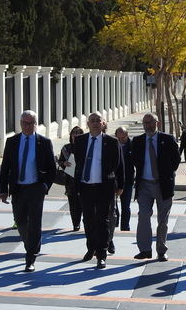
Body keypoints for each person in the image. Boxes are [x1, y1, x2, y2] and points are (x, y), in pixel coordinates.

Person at [0, 111, 56, 272]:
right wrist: (3, 190)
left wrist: (45, 187)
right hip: (18, 188)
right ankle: (32, 243)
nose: (27, 126)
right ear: (20, 123)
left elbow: (52, 168)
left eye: (30, 123)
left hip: (36, 188)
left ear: (35, 124)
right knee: (20, 220)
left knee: (34, 222)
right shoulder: (12, 141)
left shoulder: (44, 142)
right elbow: (5, 168)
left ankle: (30, 257)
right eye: (24, 123)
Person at [74, 112, 124, 269]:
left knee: (102, 221)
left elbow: (119, 165)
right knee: (88, 220)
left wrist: (121, 185)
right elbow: (77, 163)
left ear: (103, 123)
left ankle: (101, 255)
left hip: (104, 187)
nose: (95, 123)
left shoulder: (111, 141)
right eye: (92, 121)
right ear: (88, 124)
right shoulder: (80, 141)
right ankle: (91, 248)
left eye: (98, 121)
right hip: (85, 186)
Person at [131, 113, 181, 261]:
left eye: (151, 122)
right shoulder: (138, 141)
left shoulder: (167, 139)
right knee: (144, 216)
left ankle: (161, 249)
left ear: (157, 123)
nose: (148, 126)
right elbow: (134, 160)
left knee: (162, 219)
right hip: (144, 184)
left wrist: (166, 174)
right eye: (145, 123)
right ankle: (145, 249)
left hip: (162, 184)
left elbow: (176, 160)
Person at [58, 126, 84, 231]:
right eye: (74, 133)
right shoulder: (66, 148)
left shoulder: (86, 147)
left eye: (78, 133)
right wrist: (64, 163)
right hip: (70, 180)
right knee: (73, 204)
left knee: (84, 203)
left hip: (83, 180)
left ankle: (86, 222)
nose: (76, 135)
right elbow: (60, 162)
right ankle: (76, 223)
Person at [115, 126, 135, 232]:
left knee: (126, 206)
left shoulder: (132, 145)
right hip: (115, 180)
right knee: (113, 204)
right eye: (119, 138)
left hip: (128, 180)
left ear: (127, 135)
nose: (121, 140)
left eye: (123, 138)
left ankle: (125, 227)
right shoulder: (112, 145)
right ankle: (115, 223)